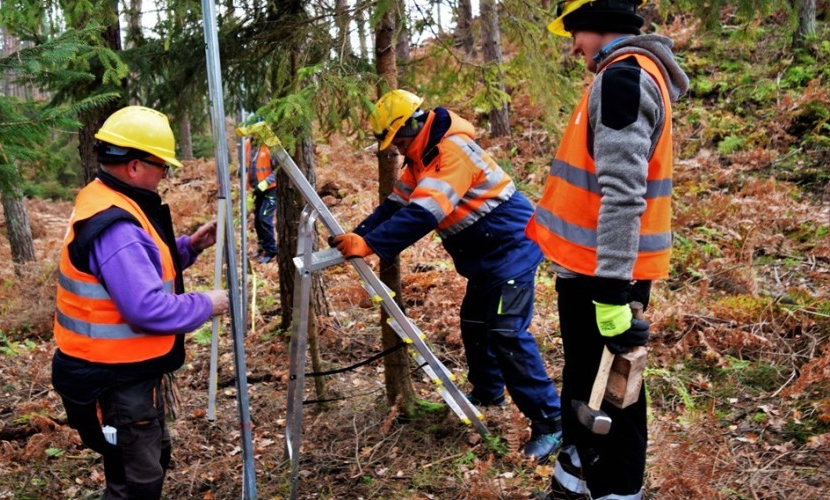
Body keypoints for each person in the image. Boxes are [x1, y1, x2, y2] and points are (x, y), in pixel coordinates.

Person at [331, 89, 563, 463]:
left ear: (413, 126)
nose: (400, 150)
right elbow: (395, 206)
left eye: (400, 141)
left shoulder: (450, 152)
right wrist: (357, 235)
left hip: (513, 247)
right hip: (485, 256)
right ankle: (489, 392)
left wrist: (371, 245)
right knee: (473, 322)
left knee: (506, 332)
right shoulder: (420, 160)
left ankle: (551, 422)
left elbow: (423, 214)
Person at [525, 1, 689, 498]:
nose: (574, 46)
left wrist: (615, 293)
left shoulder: (623, 81)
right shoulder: (620, 75)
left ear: (602, 24)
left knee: (615, 397)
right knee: (584, 386)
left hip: (607, 274)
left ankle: (618, 491)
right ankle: (574, 484)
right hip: (592, 268)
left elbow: (622, 194)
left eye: (576, 32)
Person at [51, 105, 230, 499]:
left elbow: (133, 270)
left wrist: (189, 246)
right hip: (114, 380)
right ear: (133, 166)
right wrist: (208, 303)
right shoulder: (116, 226)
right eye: (161, 166)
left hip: (119, 375)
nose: (164, 175)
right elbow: (145, 307)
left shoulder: (106, 198)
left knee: (144, 460)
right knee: (137, 481)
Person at [246, 136, 278, 264]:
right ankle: (262, 248)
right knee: (257, 220)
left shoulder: (270, 143)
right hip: (256, 189)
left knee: (264, 218)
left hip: (270, 189)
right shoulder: (248, 144)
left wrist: (266, 182)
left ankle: (271, 251)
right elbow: (246, 163)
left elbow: (280, 168)